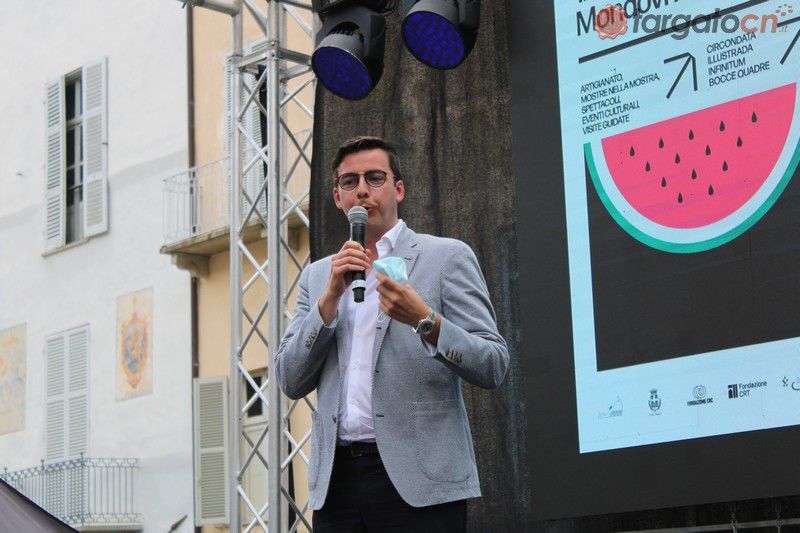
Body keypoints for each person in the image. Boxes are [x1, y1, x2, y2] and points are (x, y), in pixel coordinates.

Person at [274, 136, 509, 532]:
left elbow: (493, 363)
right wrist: (328, 302)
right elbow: (289, 378)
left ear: (398, 189)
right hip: (337, 486)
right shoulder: (318, 277)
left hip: (420, 482)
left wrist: (426, 321)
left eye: (375, 177)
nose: (362, 190)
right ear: (337, 197)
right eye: (349, 181)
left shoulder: (445, 257)